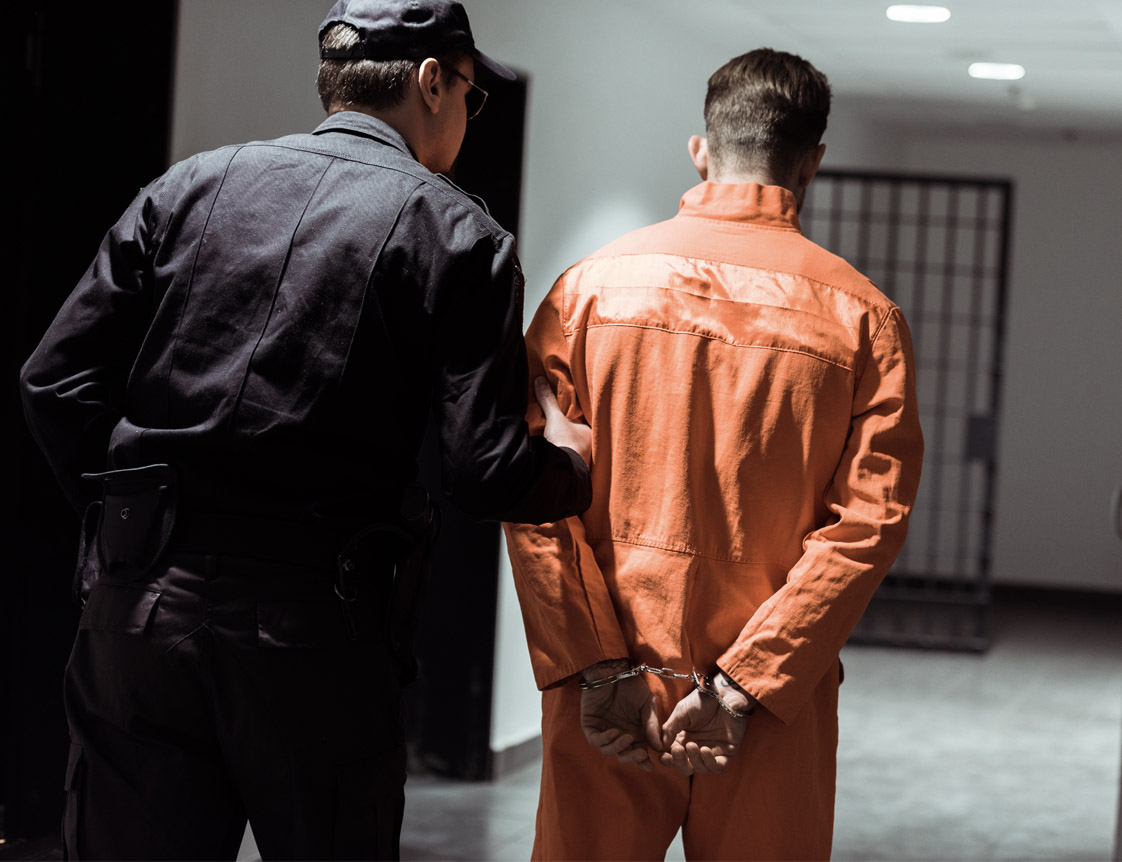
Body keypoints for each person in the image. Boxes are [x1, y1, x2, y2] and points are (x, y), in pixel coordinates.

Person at [19, 0, 593, 858]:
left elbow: (52, 380)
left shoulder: (188, 186)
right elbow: (484, 469)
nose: (467, 120)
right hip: (315, 632)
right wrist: (569, 464)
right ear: (433, 82)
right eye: (471, 97)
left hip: (138, 613)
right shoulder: (460, 236)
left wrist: (136, 513)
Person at [504, 48, 924, 860]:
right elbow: (869, 525)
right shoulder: (864, 321)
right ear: (812, 165)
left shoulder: (587, 291)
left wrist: (595, 666)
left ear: (701, 148)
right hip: (767, 701)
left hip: (612, 684)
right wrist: (742, 684)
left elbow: (532, 498)